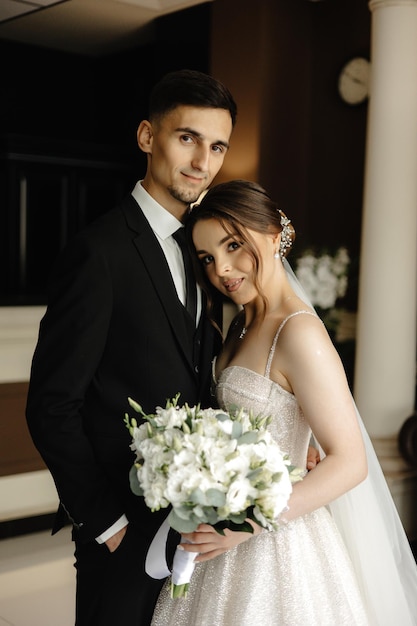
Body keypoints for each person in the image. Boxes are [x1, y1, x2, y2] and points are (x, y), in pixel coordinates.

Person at [150, 180, 417, 626]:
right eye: (208, 259)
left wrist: (246, 525)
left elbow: (351, 461)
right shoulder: (238, 323)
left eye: (234, 245)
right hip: (221, 534)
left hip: (277, 544)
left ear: (275, 235)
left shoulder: (299, 332)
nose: (223, 270)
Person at [25, 69, 238, 626]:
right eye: (186, 138)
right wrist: (108, 526)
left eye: (217, 146)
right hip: (120, 525)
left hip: (192, 521)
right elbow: (51, 404)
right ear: (147, 137)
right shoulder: (98, 253)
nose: (202, 162)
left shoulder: (204, 250)